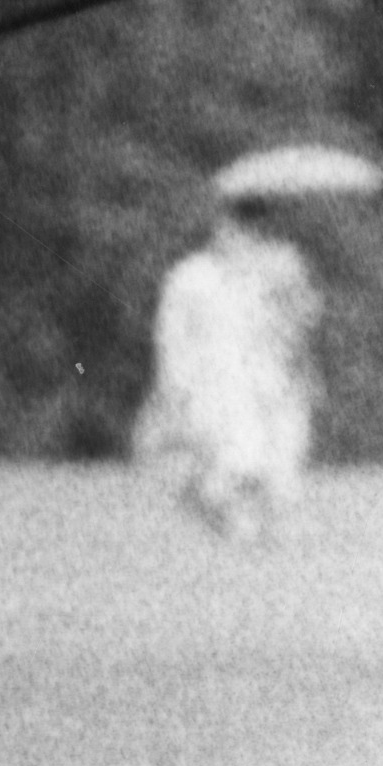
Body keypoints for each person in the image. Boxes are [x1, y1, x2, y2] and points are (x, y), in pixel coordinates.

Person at [134, 187, 323, 537]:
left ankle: (263, 523)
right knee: (231, 461)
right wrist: (174, 385)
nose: (240, 237)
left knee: (275, 459)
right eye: (235, 227)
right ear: (220, 227)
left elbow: (298, 323)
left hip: (266, 381)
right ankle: (231, 516)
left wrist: (293, 291)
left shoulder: (271, 271)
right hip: (210, 385)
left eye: (250, 230)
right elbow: (170, 337)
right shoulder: (191, 276)